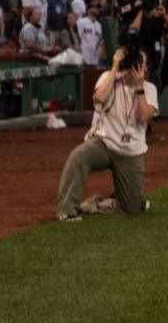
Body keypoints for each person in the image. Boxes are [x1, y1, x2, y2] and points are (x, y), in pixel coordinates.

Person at [55, 45, 157, 222]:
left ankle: (99, 203)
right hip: (104, 143)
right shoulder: (108, 78)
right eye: (133, 62)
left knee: (131, 209)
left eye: (141, 63)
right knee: (78, 156)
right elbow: (99, 98)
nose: (136, 66)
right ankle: (67, 210)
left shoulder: (149, 89)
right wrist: (115, 68)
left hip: (130, 152)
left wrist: (139, 87)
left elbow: (144, 117)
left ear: (146, 68)